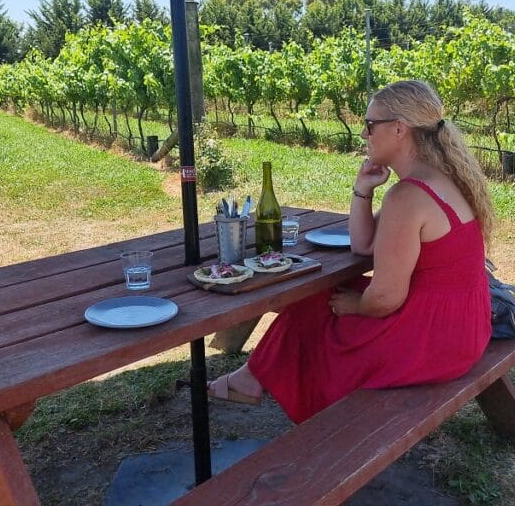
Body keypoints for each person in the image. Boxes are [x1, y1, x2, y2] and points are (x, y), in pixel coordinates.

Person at [207, 80, 495, 424]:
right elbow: (364, 246)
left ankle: (261, 382)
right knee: (316, 299)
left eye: (370, 125)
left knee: (319, 308)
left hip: (432, 340)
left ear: (400, 129)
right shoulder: (443, 179)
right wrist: (363, 190)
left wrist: (356, 306)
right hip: (463, 327)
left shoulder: (409, 196)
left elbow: (385, 299)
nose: (363, 133)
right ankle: (251, 376)